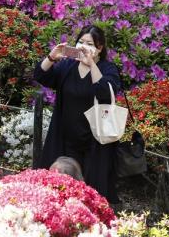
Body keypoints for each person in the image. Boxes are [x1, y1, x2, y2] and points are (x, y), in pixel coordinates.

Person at [33, 24, 121, 204]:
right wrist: (51, 57)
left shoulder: (108, 68)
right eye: (81, 42)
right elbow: (41, 76)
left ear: (99, 48)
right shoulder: (67, 66)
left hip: (94, 139)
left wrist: (92, 65)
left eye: (89, 43)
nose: (83, 46)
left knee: (92, 187)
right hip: (65, 136)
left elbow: (105, 93)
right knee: (59, 182)